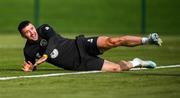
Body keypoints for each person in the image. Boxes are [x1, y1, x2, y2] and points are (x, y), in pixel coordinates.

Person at [18, 20, 162, 72]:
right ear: (23, 36)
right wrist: (31, 68)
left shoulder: (44, 29)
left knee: (112, 41)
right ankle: (137, 62)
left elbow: (53, 40)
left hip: (79, 45)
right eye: (27, 32)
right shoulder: (28, 50)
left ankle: (148, 40)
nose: (32, 32)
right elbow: (32, 66)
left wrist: (45, 55)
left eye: (31, 28)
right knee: (117, 68)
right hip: (79, 64)